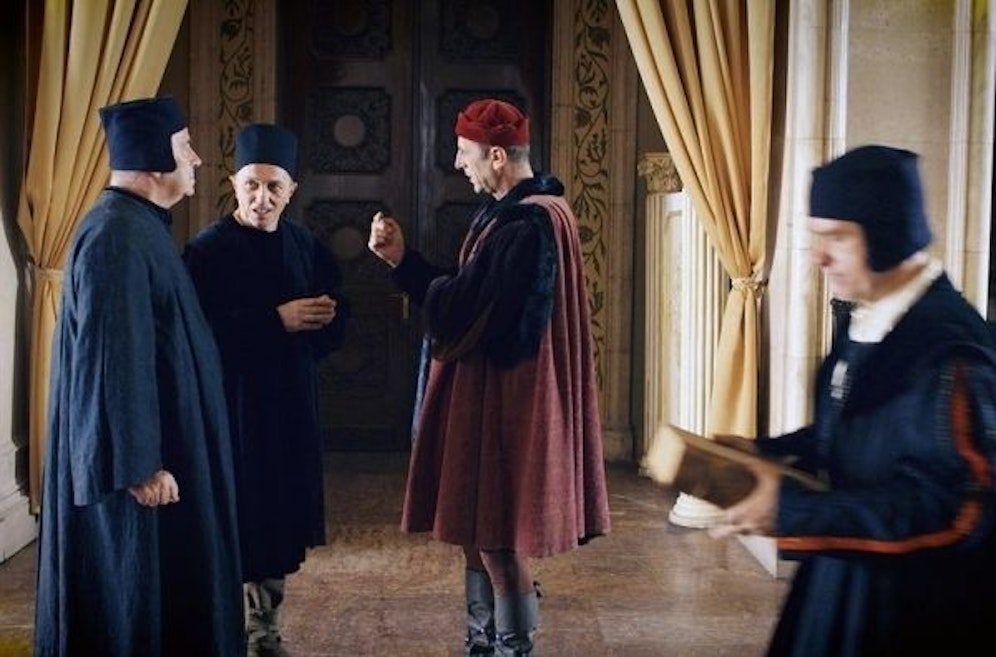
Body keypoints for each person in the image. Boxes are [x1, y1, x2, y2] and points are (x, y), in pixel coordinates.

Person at [710, 145, 996, 656]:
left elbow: (958, 510)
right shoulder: (872, 316)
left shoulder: (950, 350)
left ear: (890, 233)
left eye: (837, 237)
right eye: (816, 237)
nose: (819, 257)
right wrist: (765, 452)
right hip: (844, 581)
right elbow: (851, 433)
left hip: (910, 608)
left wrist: (797, 512)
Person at [367, 98, 611, 656]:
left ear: (497, 156)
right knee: (479, 532)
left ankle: (510, 648)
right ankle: (482, 643)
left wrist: (404, 266)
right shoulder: (519, 213)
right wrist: (406, 262)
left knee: (498, 539)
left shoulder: (527, 224)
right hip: (498, 399)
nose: (459, 163)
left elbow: (470, 313)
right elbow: (472, 293)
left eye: (464, 152)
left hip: (507, 404)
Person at [34, 97, 244, 656]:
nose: (196, 159)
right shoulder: (115, 237)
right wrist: (137, 464)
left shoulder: (136, 226)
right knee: (132, 604)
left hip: (166, 449)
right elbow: (112, 357)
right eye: (185, 148)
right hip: (142, 474)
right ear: (154, 158)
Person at [183, 123, 349, 656]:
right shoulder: (206, 251)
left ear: (291, 190)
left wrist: (327, 317)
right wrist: (276, 320)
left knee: (276, 519)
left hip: (289, 405)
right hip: (232, 405)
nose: (262, 198)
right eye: (251, 185)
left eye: (274, 187)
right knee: (234, 513)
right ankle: (219, 626)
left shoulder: (303, 244)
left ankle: (265, 628)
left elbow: (336, 316)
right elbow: (196, 335)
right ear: (234, 183)